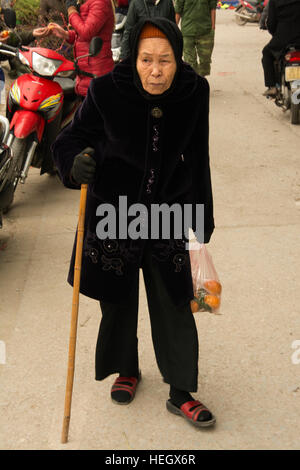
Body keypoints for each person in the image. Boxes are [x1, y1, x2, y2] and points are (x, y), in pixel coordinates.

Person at [52, 17, 216, 428]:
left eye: (165, 60)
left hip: (166, 213)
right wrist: (74, 164)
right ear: (133, 58)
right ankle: (127, 369)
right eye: (146, 59)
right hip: (115, 212)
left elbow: (199, 156)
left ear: (179, 60)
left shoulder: (194, 93)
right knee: (117, 299)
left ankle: (181, 391)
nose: (155, 70)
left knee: (176, 302)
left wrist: (203, 215)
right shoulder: (108, 91)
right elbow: (68, 139)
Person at [47, 0, 115, 97]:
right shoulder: (88, 3)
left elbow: (87, 32)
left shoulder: (100, 3)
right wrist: (66, 34)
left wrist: (72, 11)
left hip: (96, 74)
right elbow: (84, 36)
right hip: (85, 74)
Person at [262, 0, 300, 97]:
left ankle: (272, 87)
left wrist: (276, 35)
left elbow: (271, 23)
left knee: (267, 53)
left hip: (282, 38)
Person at [174, 0, 217, 77]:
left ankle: (201, 78)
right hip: (187, 31)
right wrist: (173, 28)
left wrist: (213, 27)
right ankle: (195, 81)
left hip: (205, 31)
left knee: (205, 61)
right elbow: (178, 11)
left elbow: (213, 8)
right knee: (190, 61)